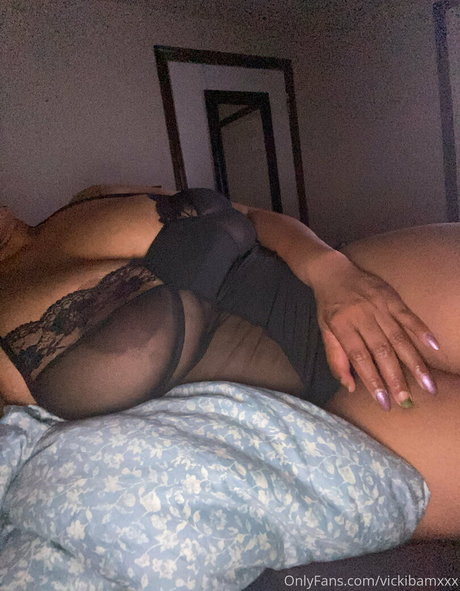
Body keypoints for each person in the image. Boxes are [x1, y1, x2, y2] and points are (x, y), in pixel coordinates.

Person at [0, 184, 459, 542]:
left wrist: (328, 269)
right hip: (329, 403)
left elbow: (254, 217)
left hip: (346, 280)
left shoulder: (91, 199)